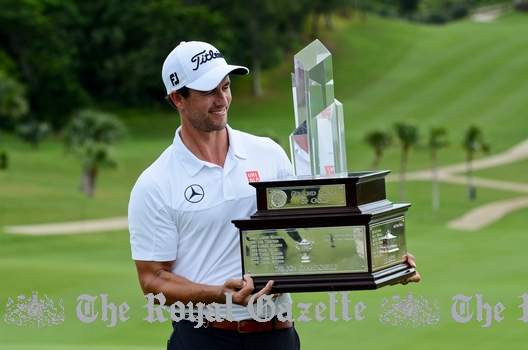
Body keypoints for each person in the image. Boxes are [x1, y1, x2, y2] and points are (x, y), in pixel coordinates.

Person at [128, 41, 421, 350]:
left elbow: (306, 236)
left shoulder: (266, 153)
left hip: (277, 334)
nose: (221, 99)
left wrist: (383, 262)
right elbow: (153, 279)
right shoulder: (155, 183)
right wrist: (219, 293)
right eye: (208, 91)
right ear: (178, 98)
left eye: (226, 87)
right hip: (204, 337)